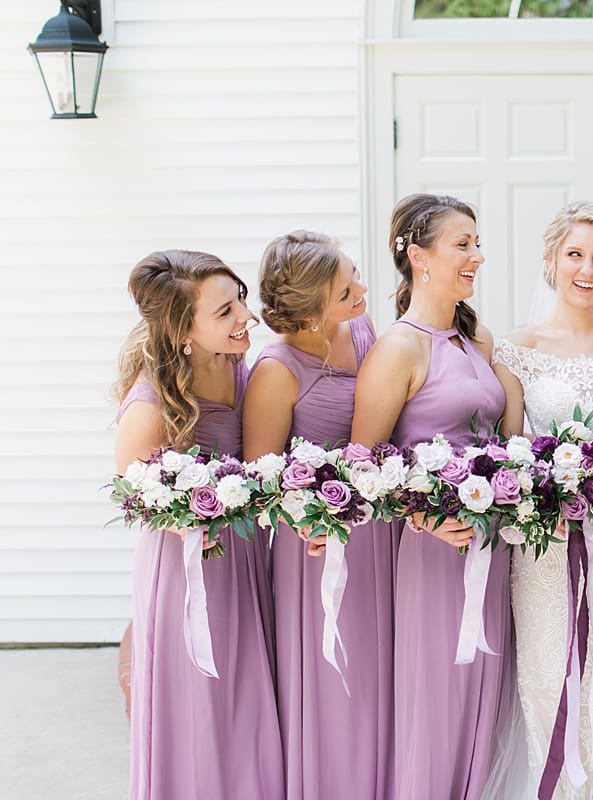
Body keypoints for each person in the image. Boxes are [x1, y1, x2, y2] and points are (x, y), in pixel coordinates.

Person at [489, 201, 593, 799]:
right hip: (548, 549)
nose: (588, 270)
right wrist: (547, 500)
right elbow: (511, 453)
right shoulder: (514, 350)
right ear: (551, 260)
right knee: (549, 679)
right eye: (575, 255)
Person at [350, 194, 510, 800]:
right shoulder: (399, 348)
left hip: (494, 544)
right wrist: (423, 517)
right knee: (438, 700)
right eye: (462, 245)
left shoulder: (477, 339)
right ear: (418, 257)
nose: (477, 256)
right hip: (433, 552)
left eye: (477, 244)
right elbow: (363, 462)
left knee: (487, 693)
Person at [113, 250, 282, 800]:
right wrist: (188, 520)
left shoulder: (239, 365)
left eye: (241, 300)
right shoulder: (150, 404)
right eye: (225, 311)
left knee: (246, 698)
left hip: (243, 558)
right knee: (197, 706)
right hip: (185, 567)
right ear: (184, 332)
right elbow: (136, 495)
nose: (246, 317)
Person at [242, 231, 393, 799]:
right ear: (308, 312)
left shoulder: (363, 329)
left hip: (379, 530)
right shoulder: (276, 370)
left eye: (355, 276)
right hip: (314, 547)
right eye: (346, 291)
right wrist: (310, 516)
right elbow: (261, 475)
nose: (362, 291)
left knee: (380, 672)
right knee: (333, 678)